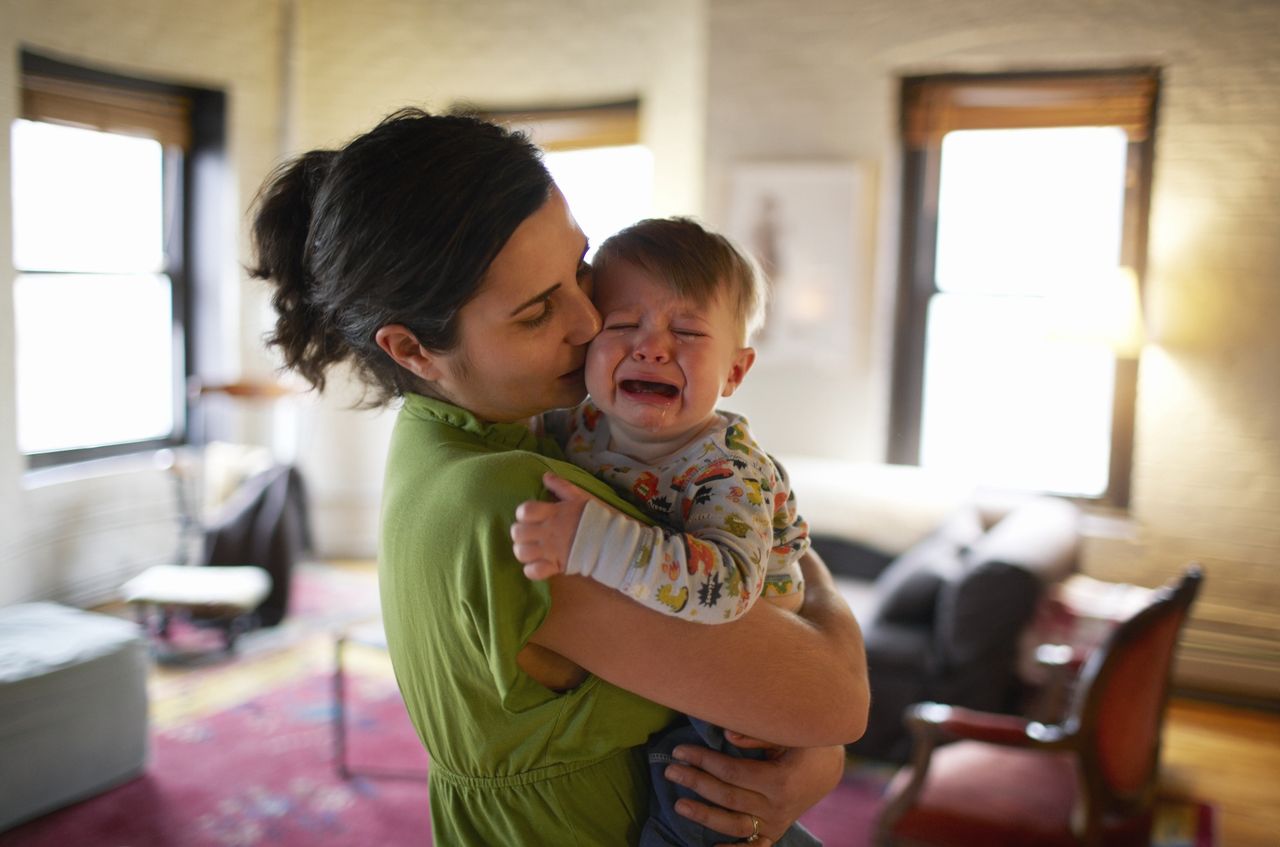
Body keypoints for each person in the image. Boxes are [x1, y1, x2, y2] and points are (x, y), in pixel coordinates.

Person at [250, 107, 869, 846]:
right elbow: (834, 699)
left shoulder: (480, 436)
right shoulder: (522, 506)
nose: (590, 321)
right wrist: (821, 657)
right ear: (413, 348)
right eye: (540, 309)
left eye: (579, 270)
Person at [510, 216, 819, 846]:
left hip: (735, 687)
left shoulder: (726, 472)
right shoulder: (579, 425)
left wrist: (592, 542)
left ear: (735, 372)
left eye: (687, 331)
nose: (652, 347)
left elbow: (728, 589)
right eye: (622, 325)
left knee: (700, 814)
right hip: (657, 657)